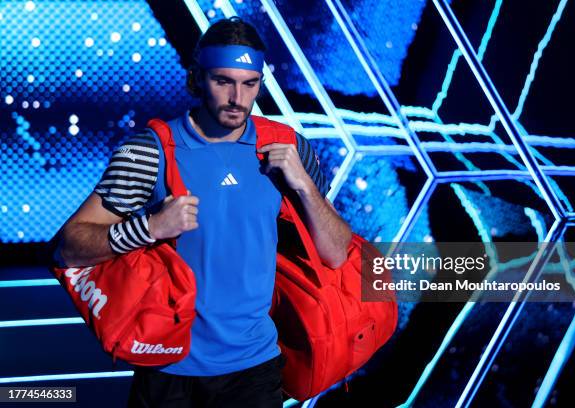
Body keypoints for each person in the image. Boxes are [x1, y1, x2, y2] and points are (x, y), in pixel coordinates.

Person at [55, 17, 352, 407]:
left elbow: (335, 252)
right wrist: (150, 227)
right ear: (197, 79)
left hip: (255, 369)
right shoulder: (150, 152)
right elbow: (68, 248)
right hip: (167, 367)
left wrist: (304, 186)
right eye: (223, 81)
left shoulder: (287, 148)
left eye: (250, 83)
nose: (238, 99)